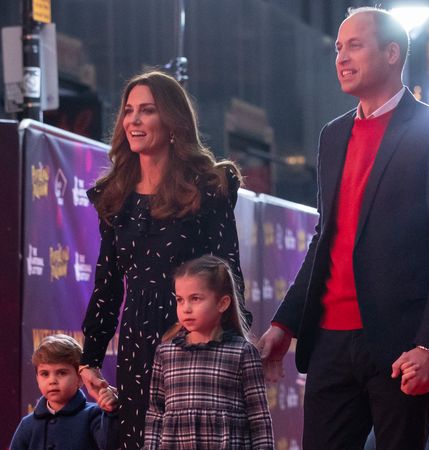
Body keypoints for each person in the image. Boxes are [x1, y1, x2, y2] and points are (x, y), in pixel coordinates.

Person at [258, 6, 429, 450]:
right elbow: (326, 237)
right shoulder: (332, 135)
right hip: (328, 340)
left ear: (391, 54)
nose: (341, 57)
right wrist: (285, 323)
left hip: (400, 346)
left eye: (355, 46)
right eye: (339, 47)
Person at [79, 70, 249, 449]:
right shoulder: (115, 196)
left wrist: (231, 346)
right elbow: (107, 284)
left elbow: (229, 275)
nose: (134, 121)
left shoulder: (208, 187)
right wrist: (89, 359)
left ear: (172, 120)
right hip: (137, 346)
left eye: (147, 111)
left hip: (197, 345)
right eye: (128, 111)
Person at [143, 255, 274, 449]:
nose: (186, 308)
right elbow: (155, 413)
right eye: (180, 300)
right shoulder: (166, 353)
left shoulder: (242, 352)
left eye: (195, 299)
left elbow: (259, 417)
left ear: (222, 303)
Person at [10, 334, 118, 450]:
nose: (52, 381)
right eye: (45, 374)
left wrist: (111, 412)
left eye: (62, 373)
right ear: (37, 379)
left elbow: (110, 445)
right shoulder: (27, 424)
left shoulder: (94, 415)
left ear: (80, 378)